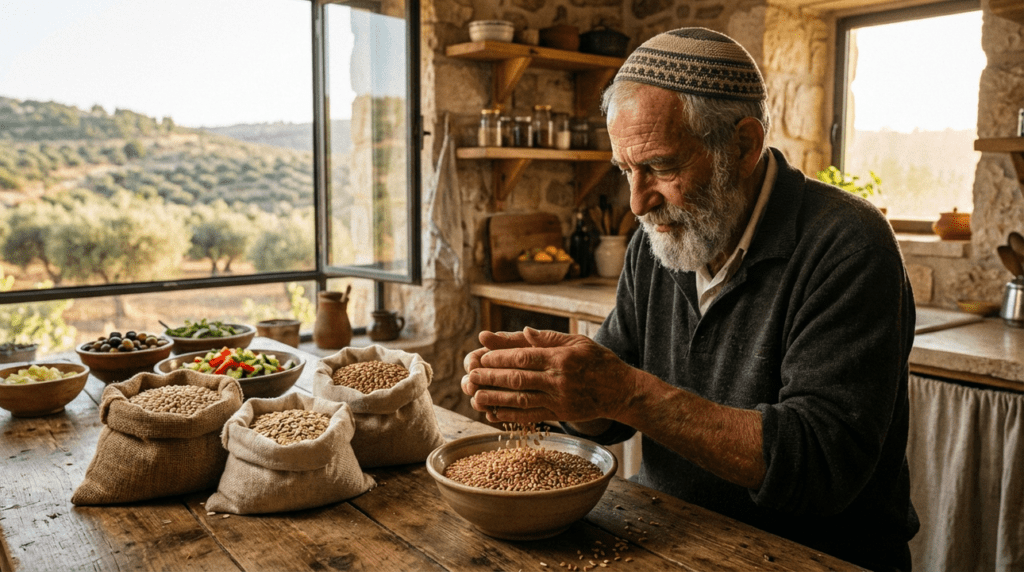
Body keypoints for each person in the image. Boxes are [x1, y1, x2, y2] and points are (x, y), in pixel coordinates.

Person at [462, 27, 919, 571]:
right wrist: (558, 391)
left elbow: (820, 464)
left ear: (743, 145)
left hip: (811, 556)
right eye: (625, 170)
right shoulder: (659, 240)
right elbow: (609, 413)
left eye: (660, 166)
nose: (636, 201)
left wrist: (627, 393)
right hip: (670, 533)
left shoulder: (847, 243)